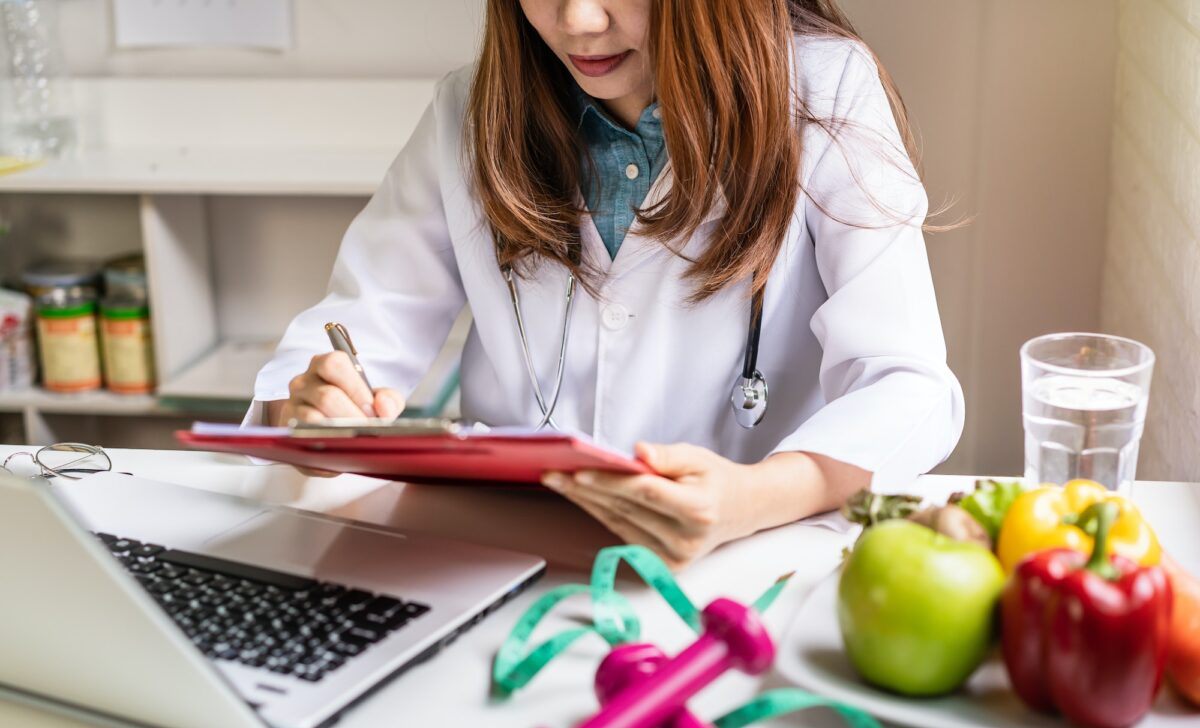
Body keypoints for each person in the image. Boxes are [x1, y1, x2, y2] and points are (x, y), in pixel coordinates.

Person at [248, 0, 964, 568]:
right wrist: (316, 401)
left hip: (742, 570)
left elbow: (906, 384)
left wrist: (752, 496)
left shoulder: (824, 89)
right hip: (503, 559)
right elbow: (357, 321)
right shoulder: (469, 112)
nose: (579, 21)